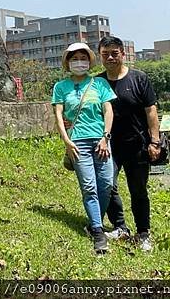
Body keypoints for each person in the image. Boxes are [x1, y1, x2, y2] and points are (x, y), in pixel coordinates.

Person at [96, 36, 160, 252]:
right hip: (109, 146)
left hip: (137, 145)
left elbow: (151, 111)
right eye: (105, 54)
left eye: (114, 53)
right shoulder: (97, 82)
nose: (110, 57)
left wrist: (155, 141)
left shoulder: (138, 78)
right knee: (107, 184)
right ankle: (120, 226)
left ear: (123, 53)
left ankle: (143, 233)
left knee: (138, 190)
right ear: (100, 56)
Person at [52, 42, 116, 254]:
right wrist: (66, 141)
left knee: (106, 184)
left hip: (101, 140)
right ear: (68, 62)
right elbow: (59, 116)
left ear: (89, 61)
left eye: (83, 58)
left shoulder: (99, 84)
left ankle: (92, 222)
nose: (79, 62)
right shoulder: (60, 87)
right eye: (74, 59)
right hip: (78, 143)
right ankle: (98, 232)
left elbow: (108, 111)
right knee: (89, 187)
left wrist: (106, 137)